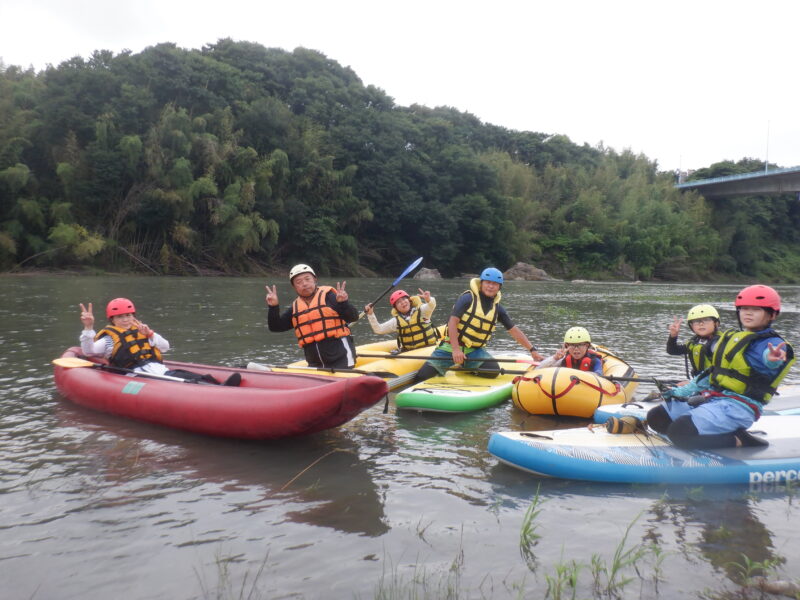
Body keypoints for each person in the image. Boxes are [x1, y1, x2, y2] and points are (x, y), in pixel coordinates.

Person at [646, 285, 795, 449]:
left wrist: (772, 359)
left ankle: (739, 440)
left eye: (756, 309)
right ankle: (692, 438)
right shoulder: (733, 338)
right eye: (744, 309)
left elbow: (769, 360)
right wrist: (678, 392)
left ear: (772, 314)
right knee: (657, 416)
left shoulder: (774, 345)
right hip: (714, 398)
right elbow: (710, 374)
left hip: (740, 407)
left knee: (680, 431)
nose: (748, 313)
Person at [414, 267, 544, 382]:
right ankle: (452, 364)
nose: (490, 286)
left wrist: (532, 350)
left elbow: (514, 330)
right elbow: (452, 323)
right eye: (488, 282)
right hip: (450, 347)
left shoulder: (498, 309)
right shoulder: (467, 298)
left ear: (499, 287)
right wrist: (456, 350)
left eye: (495, 284)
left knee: (493, 372)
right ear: (481, 283)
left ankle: (466, 367)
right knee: (422, 376)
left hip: (474, 351)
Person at [79, 298, 241, 385]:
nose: (125, 320)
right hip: (137, 376)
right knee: (186, 382)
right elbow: (89, 351)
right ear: (112, 320)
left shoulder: (143, 331)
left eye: (128, 315)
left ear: (133, 316)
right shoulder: (108, 340)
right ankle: (219, 391)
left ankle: (220, 386)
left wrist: (150, 334)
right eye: (120, 317)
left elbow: (165, 347)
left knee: (194, 376)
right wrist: (89, 327)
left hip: (160, 371)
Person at [266, 263, 358, 368]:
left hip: (341, 359)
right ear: (294, 287)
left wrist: (343, 303)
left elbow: (353, 317)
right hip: (315, 364)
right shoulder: (296, 307)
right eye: (298, 282)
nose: (304, 284)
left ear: (315, 280)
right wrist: (273, 307)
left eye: (307, 279)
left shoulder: (331, 297)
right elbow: (275, 327)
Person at [364, 288, 440, 351]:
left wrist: (428, 299)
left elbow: (431, 305)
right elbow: (378, 329)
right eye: (398, 302)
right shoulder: (396, 321)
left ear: (409, 300)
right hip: (410, 352)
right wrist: (371, 314)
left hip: (428, 348)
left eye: (404, 299)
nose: (403, 302)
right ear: (396, 308)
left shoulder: (422, 311)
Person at [666, 304, 721, 379]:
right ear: (691, 326)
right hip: (699, 382)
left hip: (717, 383)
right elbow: (672, 351)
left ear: (716, 323)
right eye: (696, 321)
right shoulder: (694, 342)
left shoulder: (721, 343)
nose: (701, 324)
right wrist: (673, 336)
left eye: (706, 320)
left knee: (676, 389)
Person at [538, 327, 604, 374]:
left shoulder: (594, 361)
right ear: (567, 346)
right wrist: (555, 358)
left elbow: (599, 374)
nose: (576, 349)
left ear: (587, 346)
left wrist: (578, 375)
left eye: (580, 345)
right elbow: (538, 369)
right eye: (572, 345)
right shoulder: (564, 360)